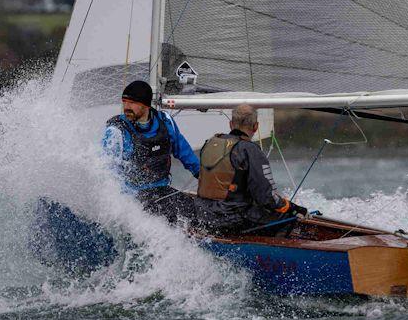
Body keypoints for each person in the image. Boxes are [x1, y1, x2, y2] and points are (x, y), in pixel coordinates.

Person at [194, 104, 307, 235]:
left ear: (231, 124)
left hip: (202, 214)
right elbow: (266, 197)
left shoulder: (209, 143)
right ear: (256, 126)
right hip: (231, 219)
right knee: (288, 218)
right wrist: (293, 208)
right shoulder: (250, 149)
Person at [102, 80, 200, 223]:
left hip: (162, 190)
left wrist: (203, 177)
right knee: (168, 218)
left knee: (196, 213)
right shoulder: (116, 132)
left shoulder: (165, 122)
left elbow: (185, 153)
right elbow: (108, 174)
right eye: (124, 102)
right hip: (133, 197)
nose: (126, 107)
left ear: (145, 105)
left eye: (132, 103)